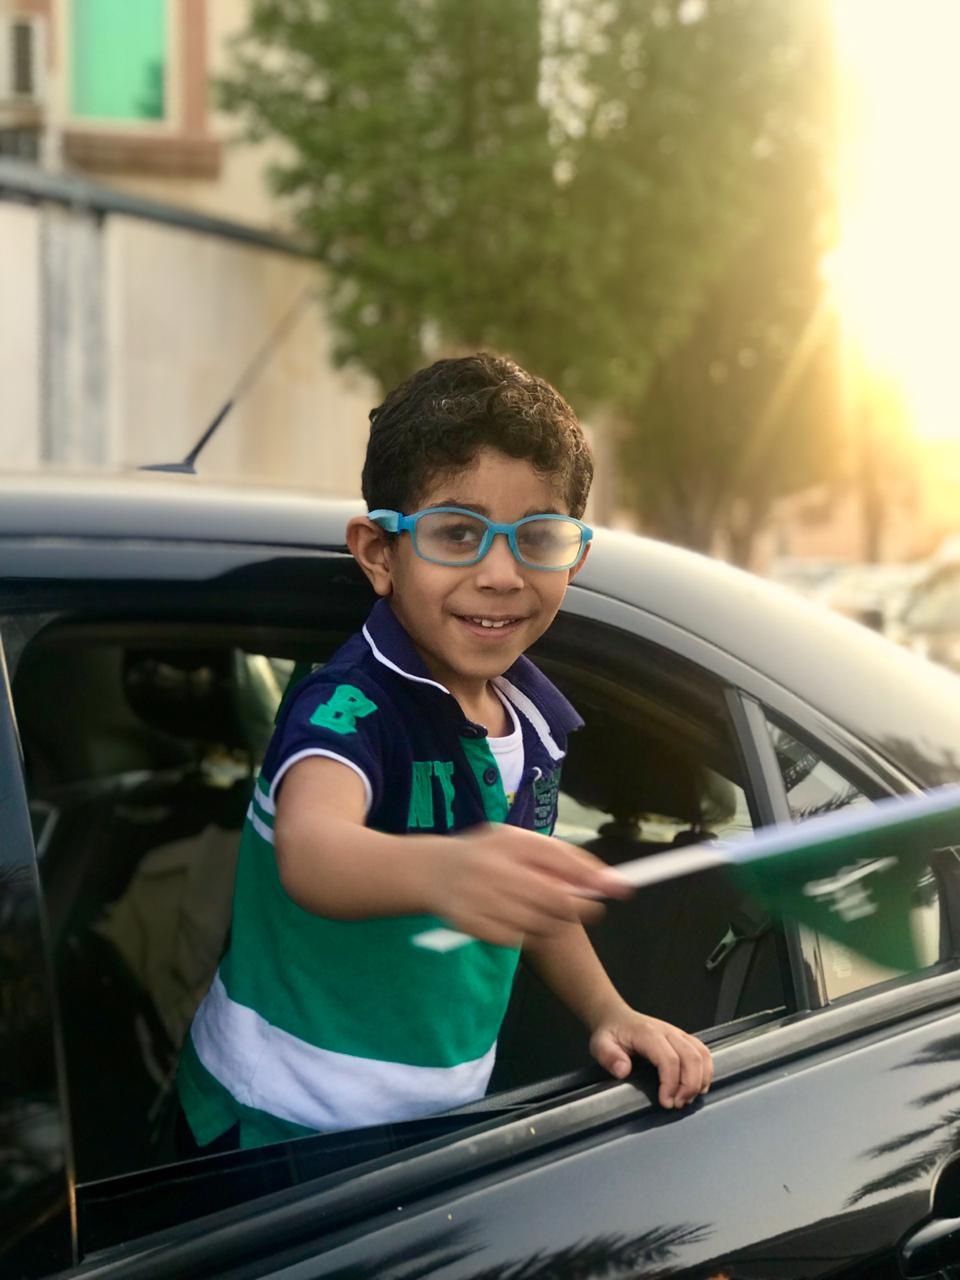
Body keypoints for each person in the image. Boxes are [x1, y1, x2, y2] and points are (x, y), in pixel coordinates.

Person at [176, 353, 713, 1151]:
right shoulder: (351, 703)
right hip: (273, 1123)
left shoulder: (534, 723)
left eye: (538, 537)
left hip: (428, 1130)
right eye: (458, 533)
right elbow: (312, 850)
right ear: (379, 553)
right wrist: (449, 870)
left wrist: (610, 1011)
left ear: (575, 556)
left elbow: (528, 899)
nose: (501, 574)